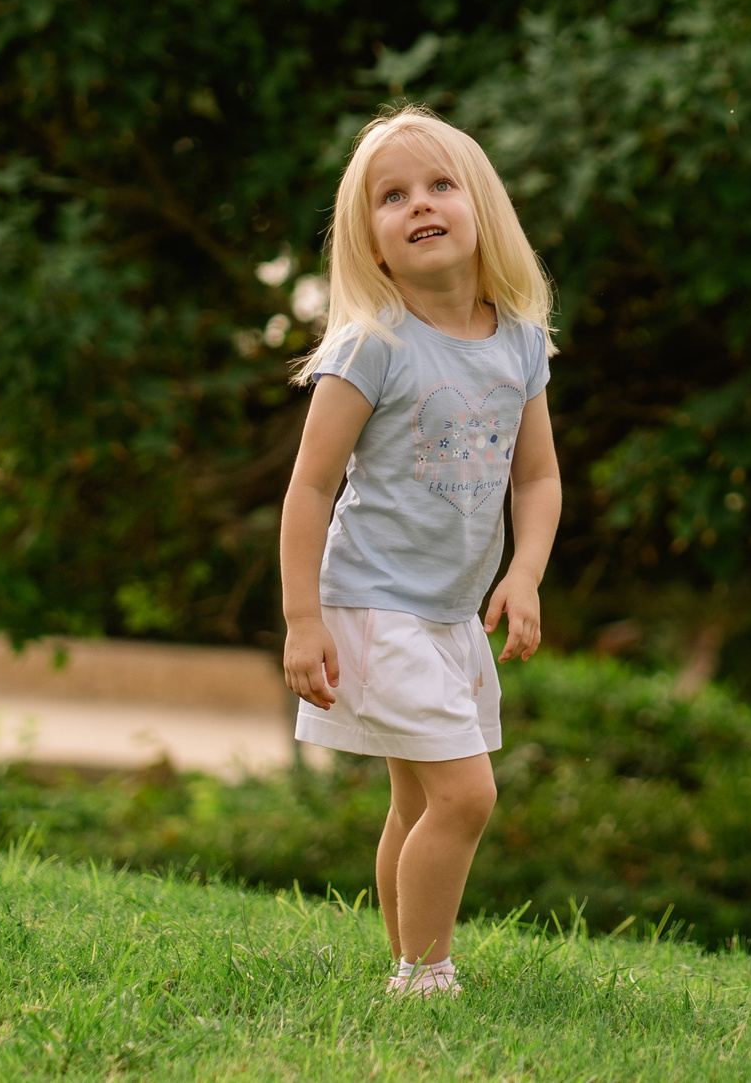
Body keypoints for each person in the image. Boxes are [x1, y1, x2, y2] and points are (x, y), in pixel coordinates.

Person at [279, 107, 562, 1000]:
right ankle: (425, 972)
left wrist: (525, 574)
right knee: (464, 797)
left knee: (416, 801)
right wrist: (301, 619)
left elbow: (539, 478)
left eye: (441, 185)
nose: (420, 204)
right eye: (391, 195)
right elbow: (309, 489)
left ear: (482, 206)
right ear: (369, 238)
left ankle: (408, 965)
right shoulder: (373, 346)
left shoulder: (518, 339)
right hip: (374, 603)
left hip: (451, 613)